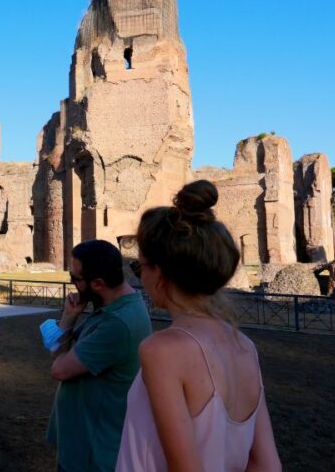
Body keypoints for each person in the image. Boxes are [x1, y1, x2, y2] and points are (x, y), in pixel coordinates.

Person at [116, 180, 281, 471]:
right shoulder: (245, 346)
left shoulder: (163, 350)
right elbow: (266, 464)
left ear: (160, 273)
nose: (140, 277)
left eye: (139, 267)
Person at [44, 239, 152, 472]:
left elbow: (59, 368)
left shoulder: (117, 324)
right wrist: (68, 318)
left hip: (94, 454)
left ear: (98, 283)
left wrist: (66, 328)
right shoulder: (112, 307)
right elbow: (59, 355)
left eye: (75, 279)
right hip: (83, 444)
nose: (72, 285)